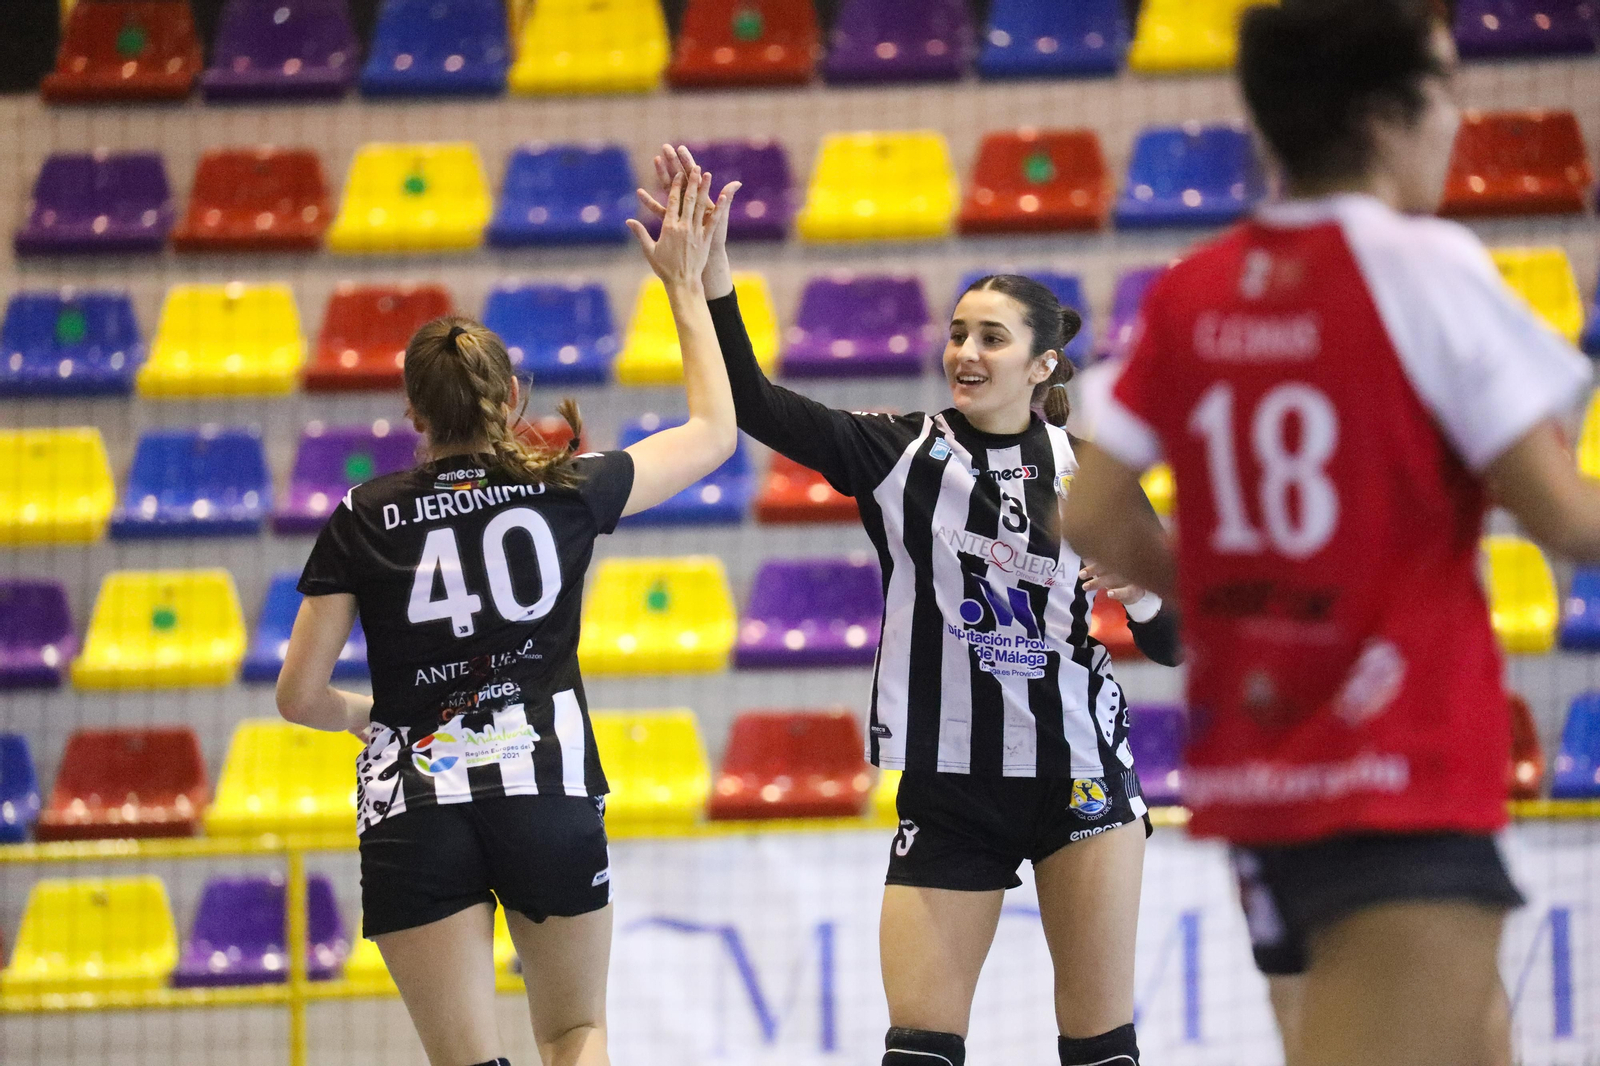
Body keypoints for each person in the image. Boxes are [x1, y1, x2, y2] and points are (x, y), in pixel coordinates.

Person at [1059, 2, 1600, 1064]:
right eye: (1443, 92)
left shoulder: (1194, 289)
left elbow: (1089, 510)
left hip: (1261, 768)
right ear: (1380, 115)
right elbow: (1565, 516)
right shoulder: (1423, 266)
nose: (1456, 119)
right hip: (1400, 762)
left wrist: (1220, 595)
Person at [640, 148, 1182, 1066]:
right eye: (959, 333)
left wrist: (1150, 593)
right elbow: (758, 404)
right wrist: (713, 278)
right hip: (952, 779)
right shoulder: (899, 452)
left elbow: (1169, 645)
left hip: (1082, 773)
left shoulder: (1095, 469)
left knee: (1100, 1049)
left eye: (992, 338)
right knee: (920, 1050)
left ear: (1044, 360)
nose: (966, 353)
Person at [275, 151, 738, 1066]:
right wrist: (685, 287)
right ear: (513, 397)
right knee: (574, 1031)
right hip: (544, 785)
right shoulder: (565, 487)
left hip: (414, 802)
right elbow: (715, 431)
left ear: (415, 411)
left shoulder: (362, 516)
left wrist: (385, 718)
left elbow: (298, 696)